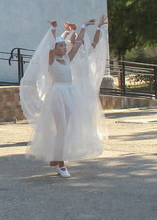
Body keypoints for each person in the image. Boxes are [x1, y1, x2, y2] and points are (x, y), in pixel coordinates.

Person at [20, 16, 109, 177]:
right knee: (61, 128)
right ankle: (60, 163)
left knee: (67, 128)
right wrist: (54, 29)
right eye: (60, 46)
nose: (63, 48)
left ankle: (57, 159)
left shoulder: (68, 58)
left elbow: (78, 43)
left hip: (70, 93)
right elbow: (49, 46)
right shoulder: (51, 60)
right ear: (55, 48)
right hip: (57, 94)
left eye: (63, 45)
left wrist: (82, 27)